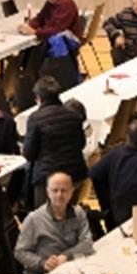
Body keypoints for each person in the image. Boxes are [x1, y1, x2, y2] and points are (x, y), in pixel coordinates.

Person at [14, 172, 94, 274]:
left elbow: (87, 243)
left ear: (71, 192)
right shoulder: (34, 219)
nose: (59, 195)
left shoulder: (78, 213)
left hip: (72, 271)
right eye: (55, 190)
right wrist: (43, 263)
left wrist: (66, 256)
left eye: (64, 190)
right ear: (47, 192)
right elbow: (20, 252)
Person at [22, 77, 88, 207]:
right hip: (75, 175)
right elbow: (81, 144)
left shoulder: (35, 118)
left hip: (48, 179)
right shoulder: (74, 115)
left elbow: (29, 154)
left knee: (45, 221)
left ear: (38, 98)